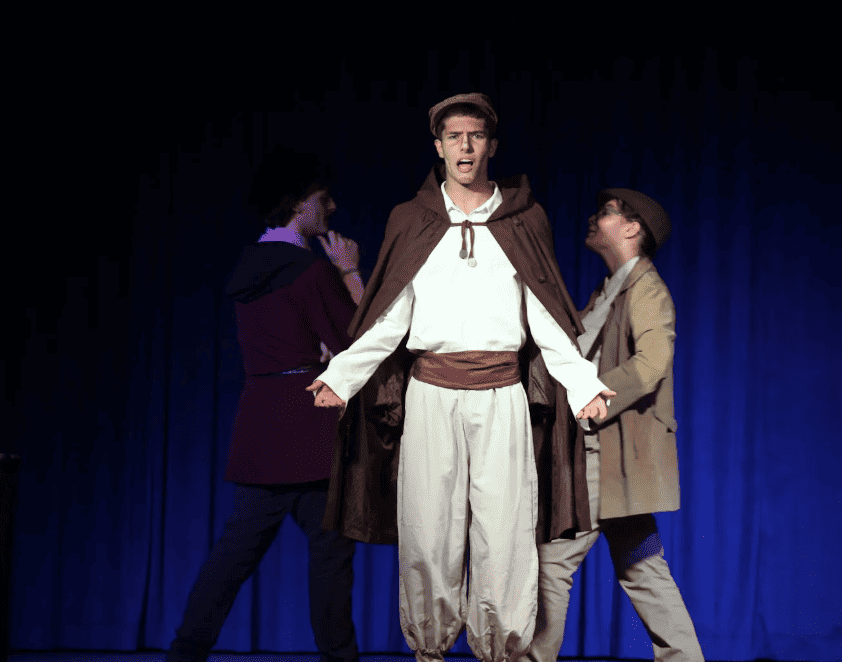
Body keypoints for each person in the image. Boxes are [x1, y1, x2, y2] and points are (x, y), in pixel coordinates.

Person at [306, 93, 614, 662]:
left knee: (505, 535)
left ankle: (500, 652)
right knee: (429, 535)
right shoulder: (412, 220)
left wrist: (583, 384)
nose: (465, 147)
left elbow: (545, 316)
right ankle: (429, 650)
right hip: (431, 396)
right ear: (439, 147)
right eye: (454, 137)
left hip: (502, 396)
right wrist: (342, 376)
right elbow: (390, 317)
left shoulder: (523, 219)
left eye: (475, 136)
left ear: (491, 146)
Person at [166, 146, 363, 662]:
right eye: (323, 198)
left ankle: (184, 654)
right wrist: (348, 272)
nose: (331, 207)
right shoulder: (310, 271)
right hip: (311, 429)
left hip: (262, 424)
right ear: (299, 203)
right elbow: (357, 343)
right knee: (330, 558)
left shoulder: (249, 266)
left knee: (234, 554)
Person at [525, 190, 705, 662]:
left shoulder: (646, 289)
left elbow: (651, 364)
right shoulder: (609, 291)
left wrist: (594, 398)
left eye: (606, 212)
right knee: (643, 567)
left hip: (608, 455)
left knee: (552, 562)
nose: (593, 217)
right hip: (607, 455)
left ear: (631, 228)